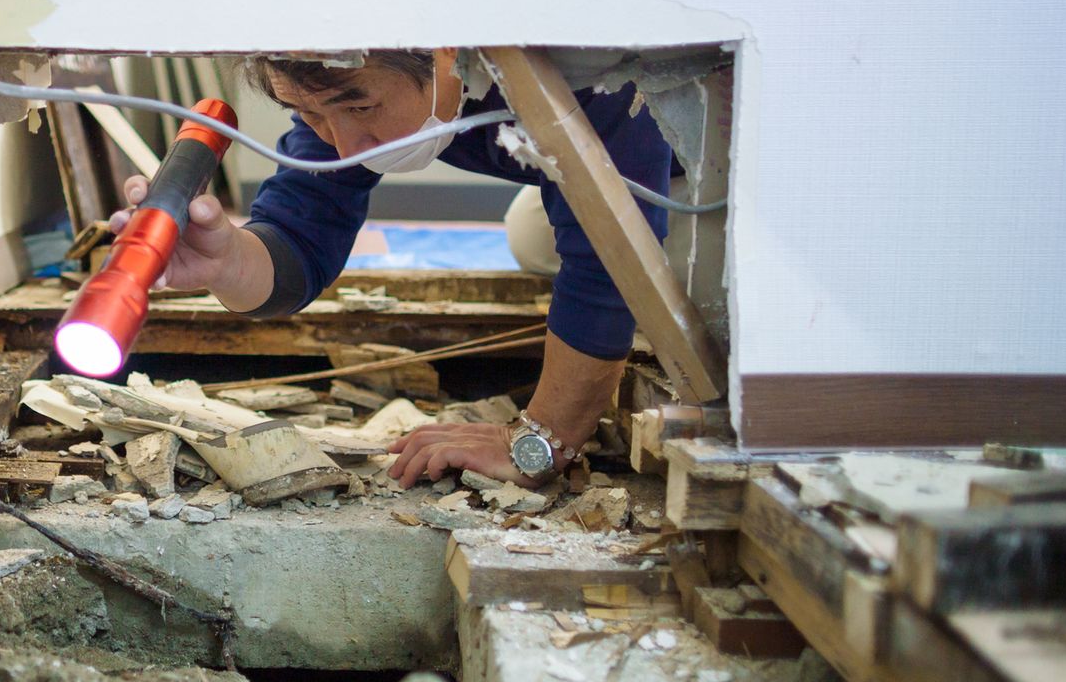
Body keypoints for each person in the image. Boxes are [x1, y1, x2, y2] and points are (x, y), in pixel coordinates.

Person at [109, 49, 672, 489]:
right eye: (309, 114)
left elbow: (611, 269)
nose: (345, 143)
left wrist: (540, 440)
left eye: (361, 109)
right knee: (533, 237)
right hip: (591, 168)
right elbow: (300, 239)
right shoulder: (340, 86)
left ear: (446, 52)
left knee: (688, 302)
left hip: (711, 171)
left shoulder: (590, 75)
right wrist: (226, 259)